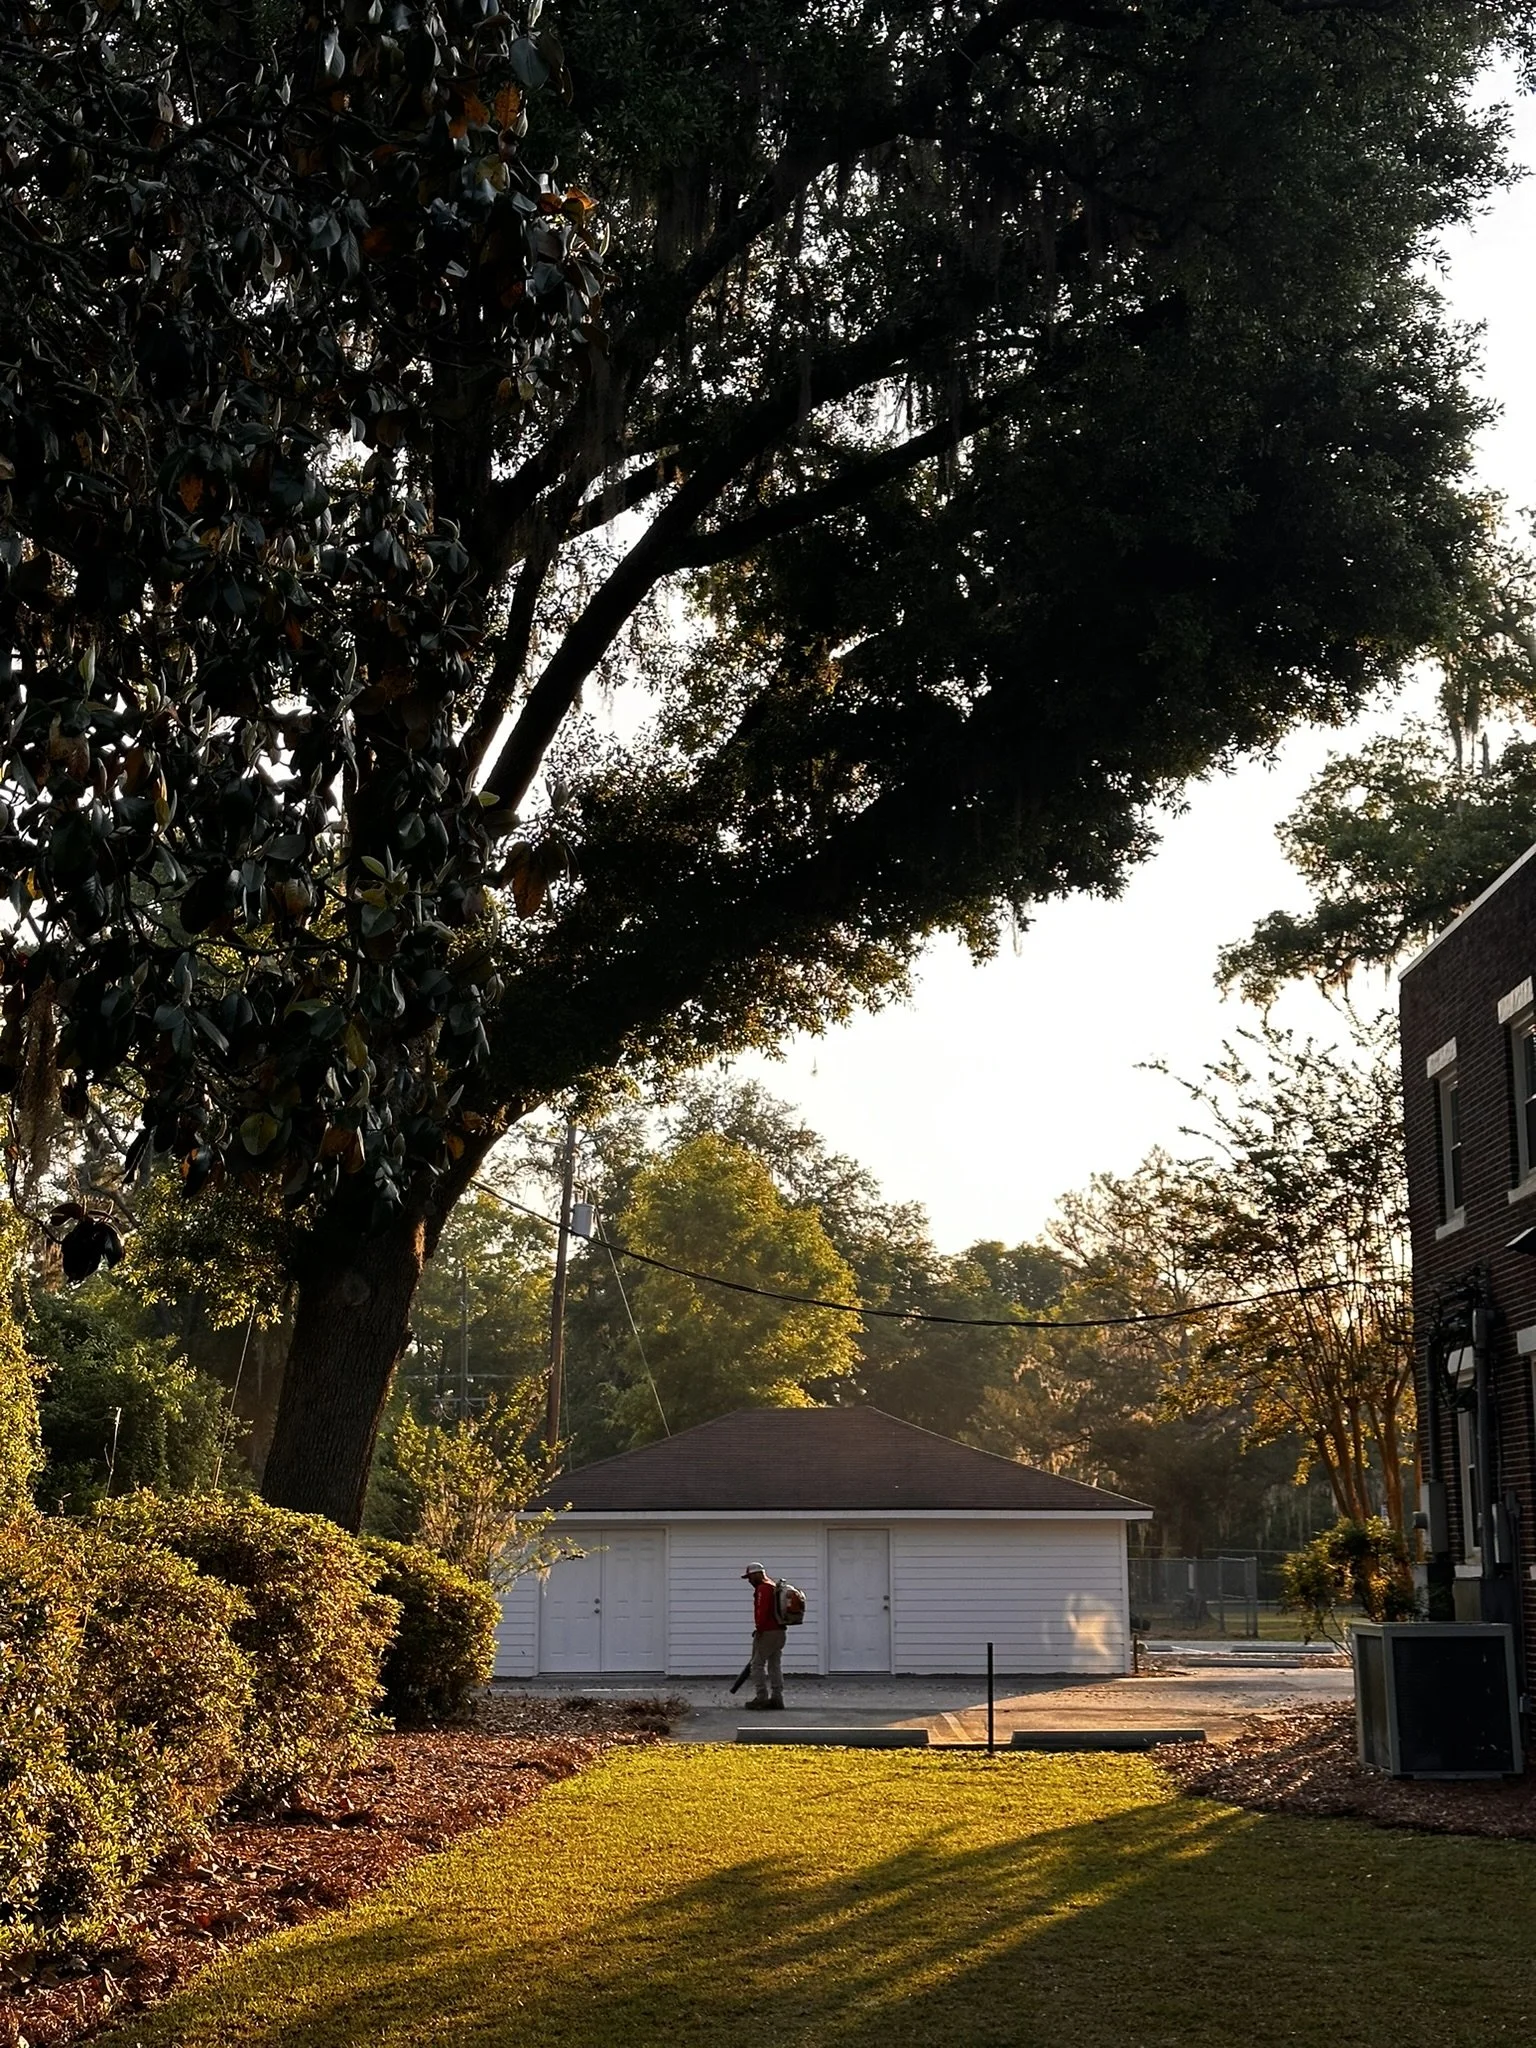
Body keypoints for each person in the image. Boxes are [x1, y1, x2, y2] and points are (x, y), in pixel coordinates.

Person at [741, 1562, 785, 1710]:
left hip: (767, 1632)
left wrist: (759, 1629)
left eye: (749, 1577)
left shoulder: (763, 1589)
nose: (749, 1581)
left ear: (756, 1575)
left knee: (757, 1665)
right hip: (780, 1632)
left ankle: (761, 1697)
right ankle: (777, 1697)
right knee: (774, 1664)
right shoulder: (773, 1586)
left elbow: (762, 1610)